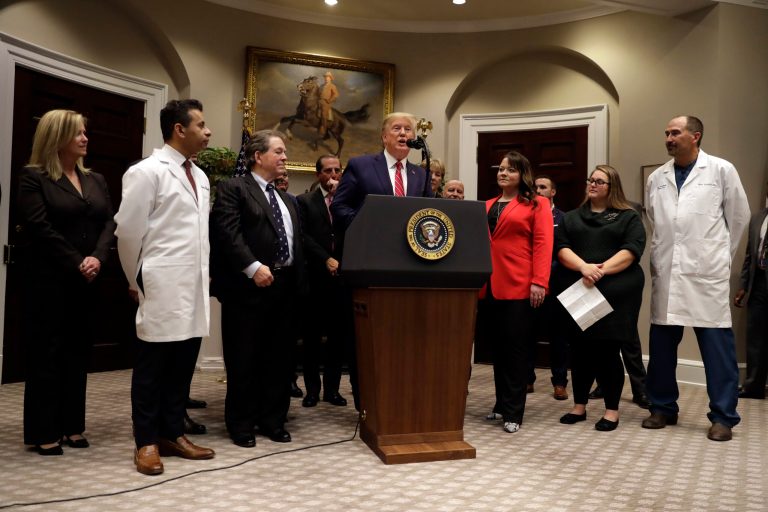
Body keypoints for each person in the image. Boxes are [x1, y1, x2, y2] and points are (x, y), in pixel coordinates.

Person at [115, 99, 215, 475]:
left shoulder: (201, 177)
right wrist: (135, 279)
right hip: (160, 282)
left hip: (194, 285)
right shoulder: (146, 172)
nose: (207, 132)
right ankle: (146, 442)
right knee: (152, 368)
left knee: (182, 366)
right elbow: (128, 233)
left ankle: (173, 433)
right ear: (179, 128)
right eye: (201, 125)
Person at [643, 115, 750, 442]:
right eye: (666, 133)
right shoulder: (657, 178)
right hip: (668, 272)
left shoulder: (721, 170)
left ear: (696, 136)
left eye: (675, 132)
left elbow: (739, 217)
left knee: (717, 349)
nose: (669, 138)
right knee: (661, 347)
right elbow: (654, 220)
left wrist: (717, 257)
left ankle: (723, 416)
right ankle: (662, 407)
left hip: (707, 275)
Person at [17, 109, 115, 455]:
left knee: (77, 352)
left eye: (85, 132)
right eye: (78, 133)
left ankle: (73, 426)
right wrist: (77, 262)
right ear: (56, 137)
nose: (85, 138)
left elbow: (109, 224)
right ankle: (44, 430)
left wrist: (98, 258)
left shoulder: (96, 179)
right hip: (49, 279)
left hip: (87, 280)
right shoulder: (34, 178)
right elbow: (40, 228)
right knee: (47, 354)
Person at [210, 129, 306, 448]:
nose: (284, 157)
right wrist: (253, 268)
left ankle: (272, 420)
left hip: (285, 289)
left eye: (284, 152)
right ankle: (241, 423)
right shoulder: (234, 188)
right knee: (244, 359)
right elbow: (228, 234)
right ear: (258, 157)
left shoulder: (286, 199)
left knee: (279, 360)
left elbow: (296, 242)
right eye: (278, 151)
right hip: (248, 290)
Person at [556, 166, 646, 432]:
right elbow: (561, 249)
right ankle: (579, 406)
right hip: (581, 289)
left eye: (599, 181)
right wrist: (584, 267)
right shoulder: (572, 218)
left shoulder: (627, 217)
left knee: (607, 351)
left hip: (617, 291)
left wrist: (598, 270)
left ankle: (611, 410)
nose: (592, 184)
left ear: (611, 186)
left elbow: (631, 251)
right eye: (590, 180)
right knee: (580, 349)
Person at [477, 151, 553, 434]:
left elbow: (544, 244)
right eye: (501, 169)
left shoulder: (537, 204)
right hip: (490, 287)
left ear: (523, 175)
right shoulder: (486, 205)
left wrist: (539, 281)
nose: (503, 173)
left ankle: (514, 411)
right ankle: (500, 404)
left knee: (516, 351)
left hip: (521, 285)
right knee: (497, 349)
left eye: (510, 170)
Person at [297, 155, 348, 408]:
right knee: (312, 340)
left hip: (340, 281)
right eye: (328, 171)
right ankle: (312, 391)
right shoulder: (305, 201)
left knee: (337, 340)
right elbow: (302, 236)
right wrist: (325, 258)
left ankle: (332, 390)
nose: (333, 175)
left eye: (337, 170)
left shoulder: (347, 202)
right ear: (318, 175)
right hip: (315, 280)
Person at [331, 111, 431, 232]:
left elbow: (429, 212)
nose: (403, 133)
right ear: (384, 137)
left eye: (408, 129)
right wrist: (363, 224)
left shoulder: (421, 175)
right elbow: (339, 206)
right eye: (397, 128)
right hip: (369, 242)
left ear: (413, 139)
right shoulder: (360, 166)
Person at [527, 175, 569, 400]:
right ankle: (527, 379)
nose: (538, 190)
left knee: (559, 336)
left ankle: (560, 382)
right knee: (528, 333)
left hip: (556, 285)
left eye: (543, 187)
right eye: (535, 187)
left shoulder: (564, 219)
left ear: (553, 192)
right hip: (529, 283)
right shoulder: (525, 213)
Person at [733, 183, 768, 400]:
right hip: (759, 285)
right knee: (756, 338)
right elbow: (749, 256)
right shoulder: (757, 218)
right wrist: (743, 286)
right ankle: (754, 386)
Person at [319, 71, 339, 138]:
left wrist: (329, 100)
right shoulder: (322, 86)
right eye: (325, 77)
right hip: (319, 100)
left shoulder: (332, 86)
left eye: (327, 77)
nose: (326, 78)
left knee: (323, 114)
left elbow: (336, 94)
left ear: (330, 78)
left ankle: (324, 129)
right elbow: (318, 93)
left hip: (326, 102)